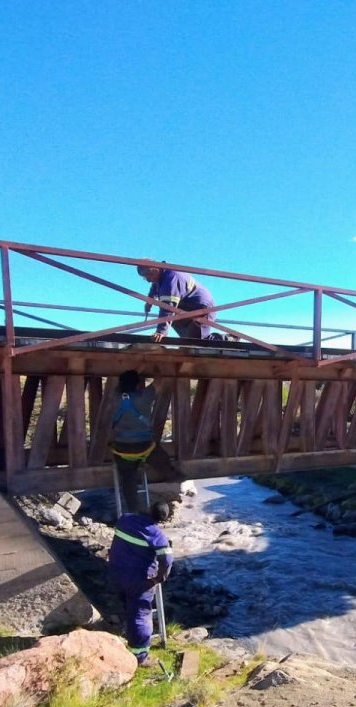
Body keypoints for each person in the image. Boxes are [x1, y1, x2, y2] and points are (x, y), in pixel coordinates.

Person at [107, 500, 174, 666]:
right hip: (139, 580)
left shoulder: (125, 519)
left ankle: (129, 635)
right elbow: (167, 560)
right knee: (140, 614)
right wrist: (160, 578)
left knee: (127, 606)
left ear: (149, 509)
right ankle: (139, 655)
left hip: (116, 573)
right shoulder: (157, 535)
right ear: (162, 520)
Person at [110, 370, 160, 514]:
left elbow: (117, 387)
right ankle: (173, 474)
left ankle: (133, 510)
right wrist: (153, 368)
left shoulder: (114, 397)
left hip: (122, 448)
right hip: (144, 447)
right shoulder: (145, 396)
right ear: (138, 384)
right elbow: (159, 382)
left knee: (127, 476)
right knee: (158, 454)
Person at [137, 263, 217, 341]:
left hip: (203, 308)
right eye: (144, 278)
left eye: (148, 276)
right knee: (188, 339)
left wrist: (160, 331)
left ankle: (227, 340)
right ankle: (187, 342)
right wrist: (150, 301)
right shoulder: (161, 275)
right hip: (187, 308)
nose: (148, 280)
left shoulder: (171, 278)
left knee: (199, 341)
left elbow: (168, 307)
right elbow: (154, 287)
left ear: (156, 270)